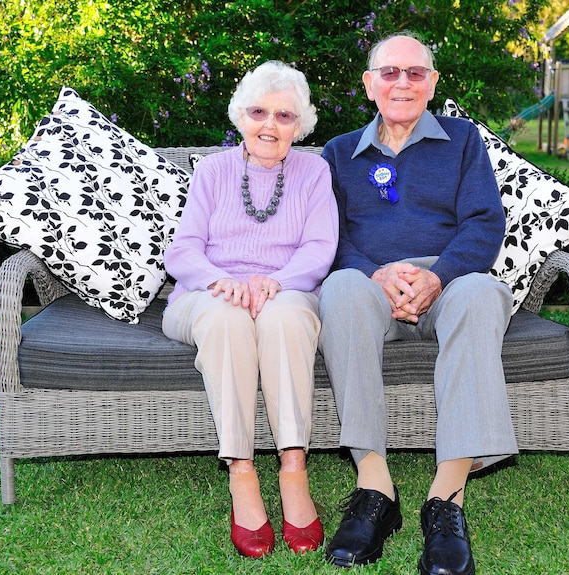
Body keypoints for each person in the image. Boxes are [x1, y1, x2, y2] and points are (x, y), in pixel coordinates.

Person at [318, 33, 518, 575]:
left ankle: (446, 499)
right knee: (337, 288)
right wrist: (373, 273)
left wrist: (439, 276)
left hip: (449, 282)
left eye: (414, 73)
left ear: (432, 83)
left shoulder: (462, 139)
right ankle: (374, 489)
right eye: (389, 72)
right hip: (370, 284)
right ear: (369, 84)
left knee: (481, 293)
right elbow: (327, 238)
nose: (401, 82)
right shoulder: (337, 153)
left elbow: (484, 223)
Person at [162, 60, 339, 559]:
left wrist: (275, 282)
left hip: (286, 291)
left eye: (285, 116)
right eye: (259, 111)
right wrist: (221, 280)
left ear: (299, 126)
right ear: (241, 116)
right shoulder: (213, 170)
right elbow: (183, 249)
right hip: (207, 295)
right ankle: (241, 470)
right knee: (228, 318)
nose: (270, 125)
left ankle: (292, 468)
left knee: (283, 317)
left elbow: (321, 247)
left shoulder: (313, 171)